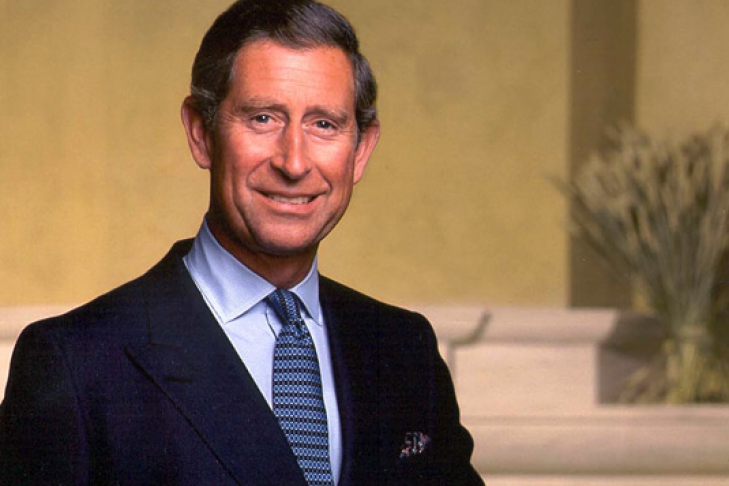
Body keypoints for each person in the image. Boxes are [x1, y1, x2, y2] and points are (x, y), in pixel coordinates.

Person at [0, 1, 484, 484]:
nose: (294, 162)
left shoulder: (404, 351)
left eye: (323, 124)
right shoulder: (77, 362)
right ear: (201, 133)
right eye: (263, 118)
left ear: (360, 150)